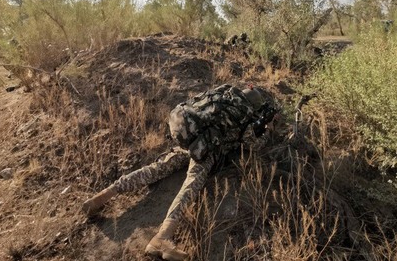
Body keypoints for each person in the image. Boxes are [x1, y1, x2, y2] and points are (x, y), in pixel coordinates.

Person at [82, 84, 277, 261]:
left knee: (155, 169)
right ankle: (162, 238)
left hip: (190, 139)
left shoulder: (224, 96)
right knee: (191, 185)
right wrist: (267, 131)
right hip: (205, 151)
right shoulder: (244, 114)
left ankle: (101, 197)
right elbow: (252, 145)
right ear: (254, 105)